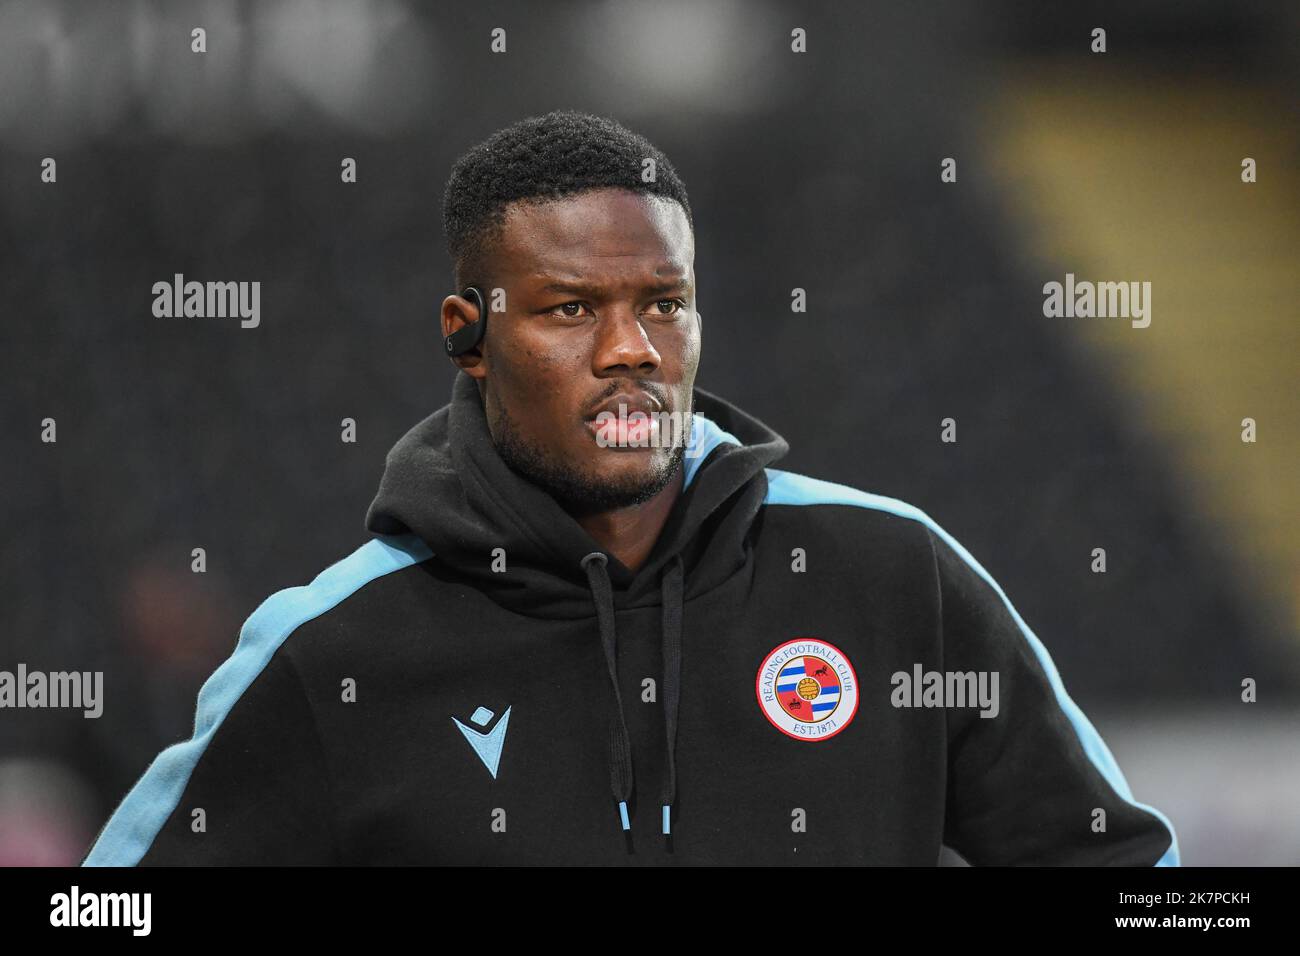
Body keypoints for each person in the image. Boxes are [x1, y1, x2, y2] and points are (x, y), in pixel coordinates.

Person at [81, 110, 1179, 866]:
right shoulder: (334, 652)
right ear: (468, 336)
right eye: (569, 308)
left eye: (664, 301)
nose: (633, 349)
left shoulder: (892, 579)